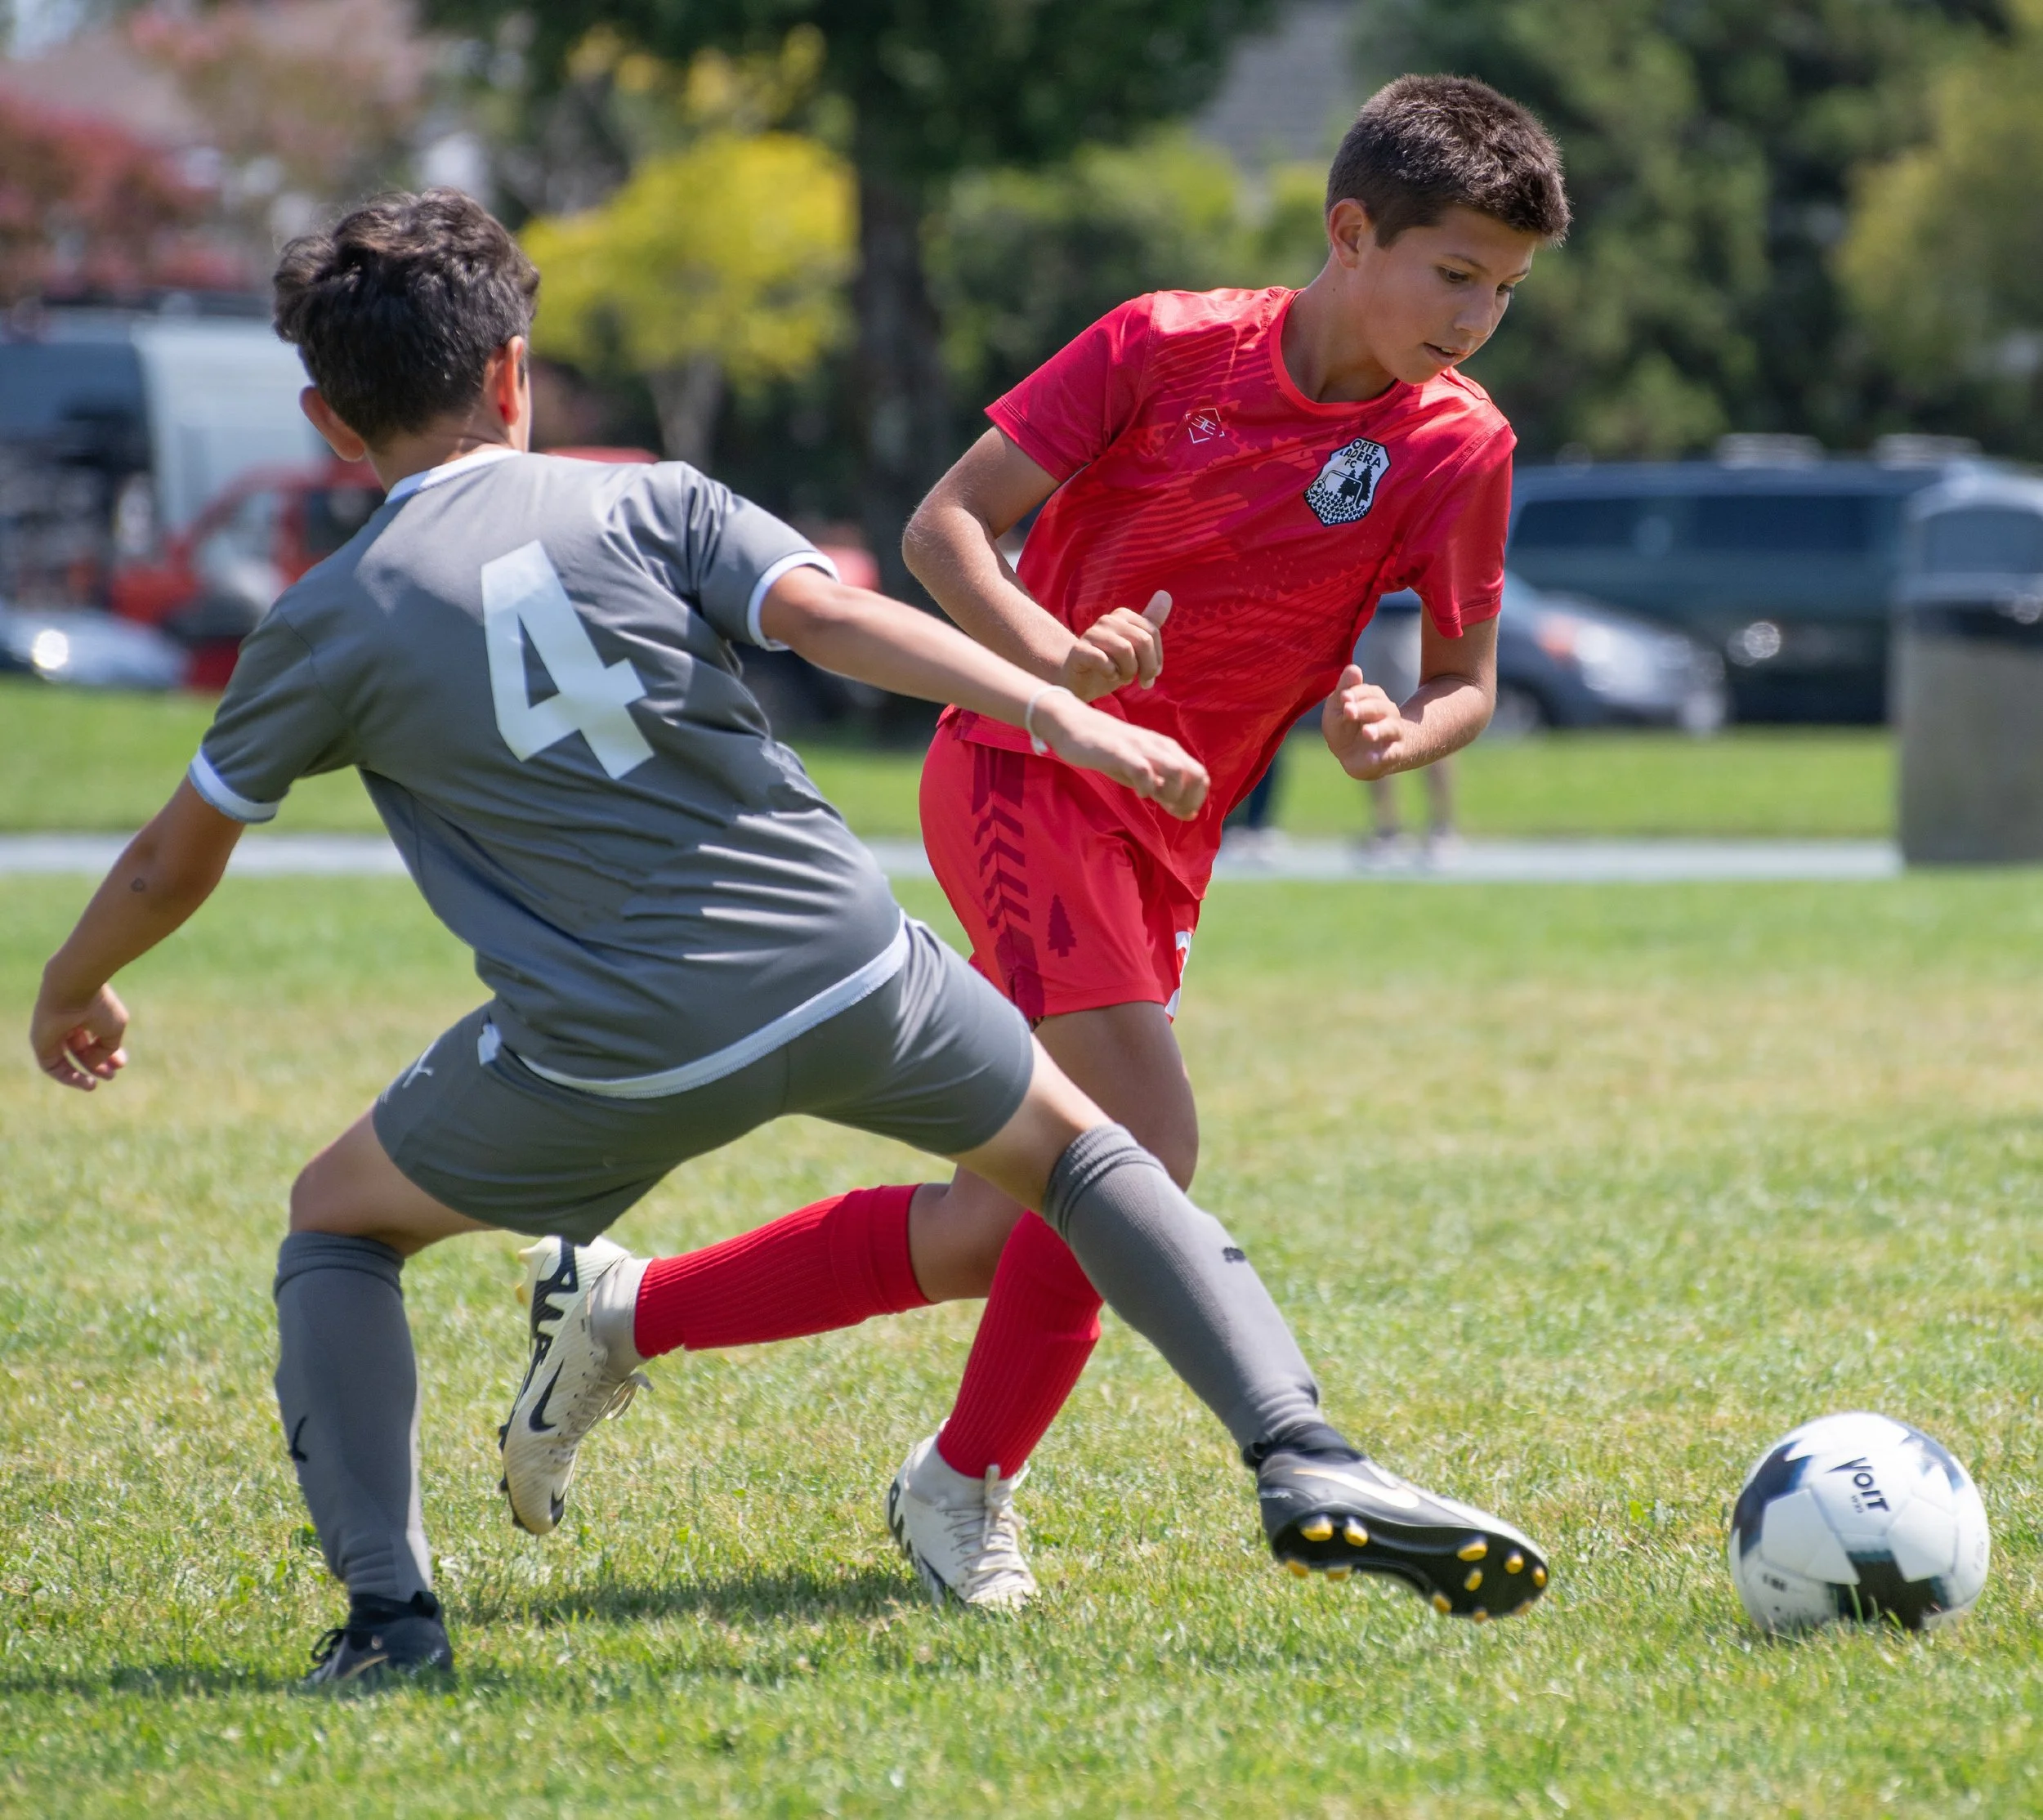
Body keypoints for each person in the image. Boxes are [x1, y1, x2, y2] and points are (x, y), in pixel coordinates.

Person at [28, 189, 1542, 1688]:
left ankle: (394, 1614)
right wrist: (1055, 705)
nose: (1477, 316)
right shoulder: (645, 495)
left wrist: (75, 981)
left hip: (603, 1042)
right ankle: (1293, 1446)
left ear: (325, 419)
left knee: (338, 1221)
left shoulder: (325, 617)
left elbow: (174, 856)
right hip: (851, 960)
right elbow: (835, 614)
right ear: (512, 375)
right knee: (1094, 1159)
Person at [714, 74, 1566, 1610]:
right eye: (1455, 274)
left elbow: (1467, 684)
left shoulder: (1459, 447)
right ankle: (960, 1484)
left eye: (1506, 289)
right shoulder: (1165, 344)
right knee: (1143, 1150)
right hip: (1017, 768)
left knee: (1003, 1221)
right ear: (1350, 232)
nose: (1478, 316)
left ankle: (623, 1318)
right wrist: (1053, 656)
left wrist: (1403, 735)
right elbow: (941, 531)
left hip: (1166, 844)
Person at [1356, 590, 1459, 856]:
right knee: (1371, 725)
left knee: (1428, 722)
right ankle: (1387, 826)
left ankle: (1442, 825)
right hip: (1371, 619)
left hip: (1415, 618)